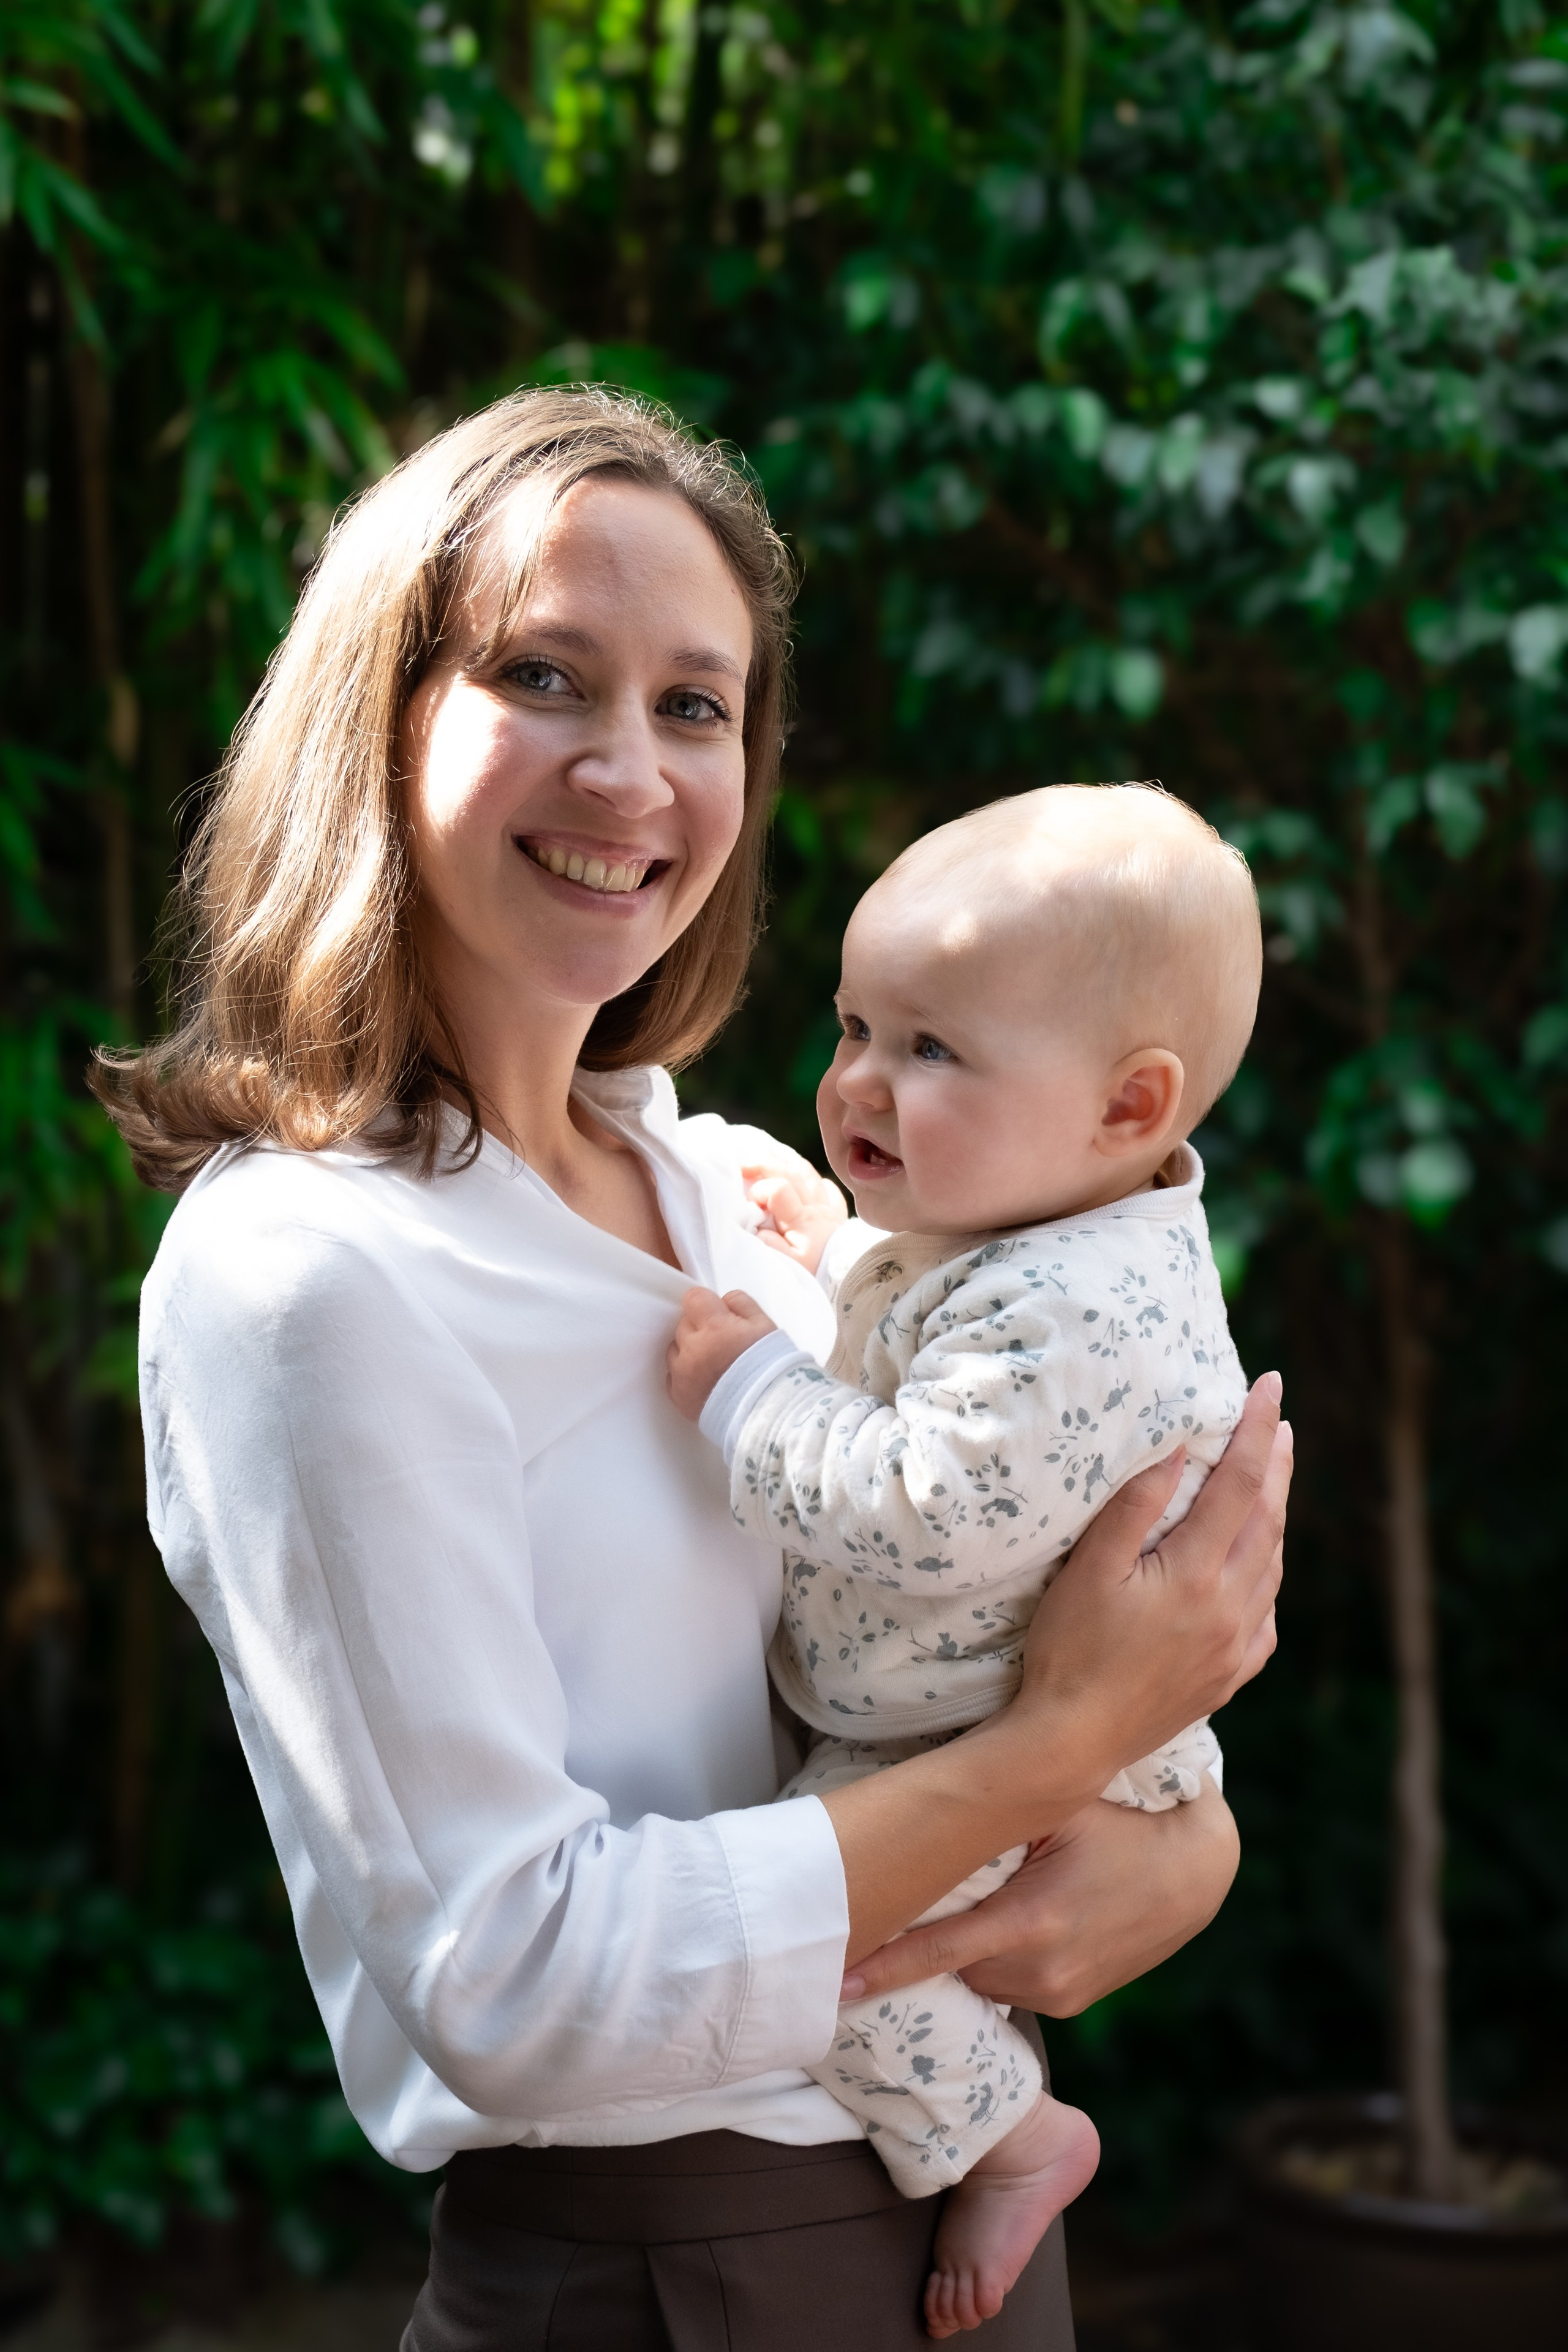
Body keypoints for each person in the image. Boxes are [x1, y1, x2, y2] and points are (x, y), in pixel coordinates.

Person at [95, 386, 1289, 2352]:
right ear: (379, 720)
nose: (630, 771)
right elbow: (516, 1980)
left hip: (965, 2195)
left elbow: (1004, 1615)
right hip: (668, 2269)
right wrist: (1068, 1750)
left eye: (696, 705)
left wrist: (1187, 1839)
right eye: (548, 676)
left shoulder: (728, 1192)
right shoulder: (312, 1276)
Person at [667, 784, 1261, 2335]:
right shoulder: (1047, 1234)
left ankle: (1007, 2135)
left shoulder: (1073, 1310)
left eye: (929, 1050)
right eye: (855, 1025)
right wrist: (830, 1239)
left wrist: (747, 1393)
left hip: (976, 1743)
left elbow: (926, 1501)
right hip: (977, 1723)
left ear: (1131, 1108)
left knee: (823, 1932)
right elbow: (926, 1311)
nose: (855, 1078)